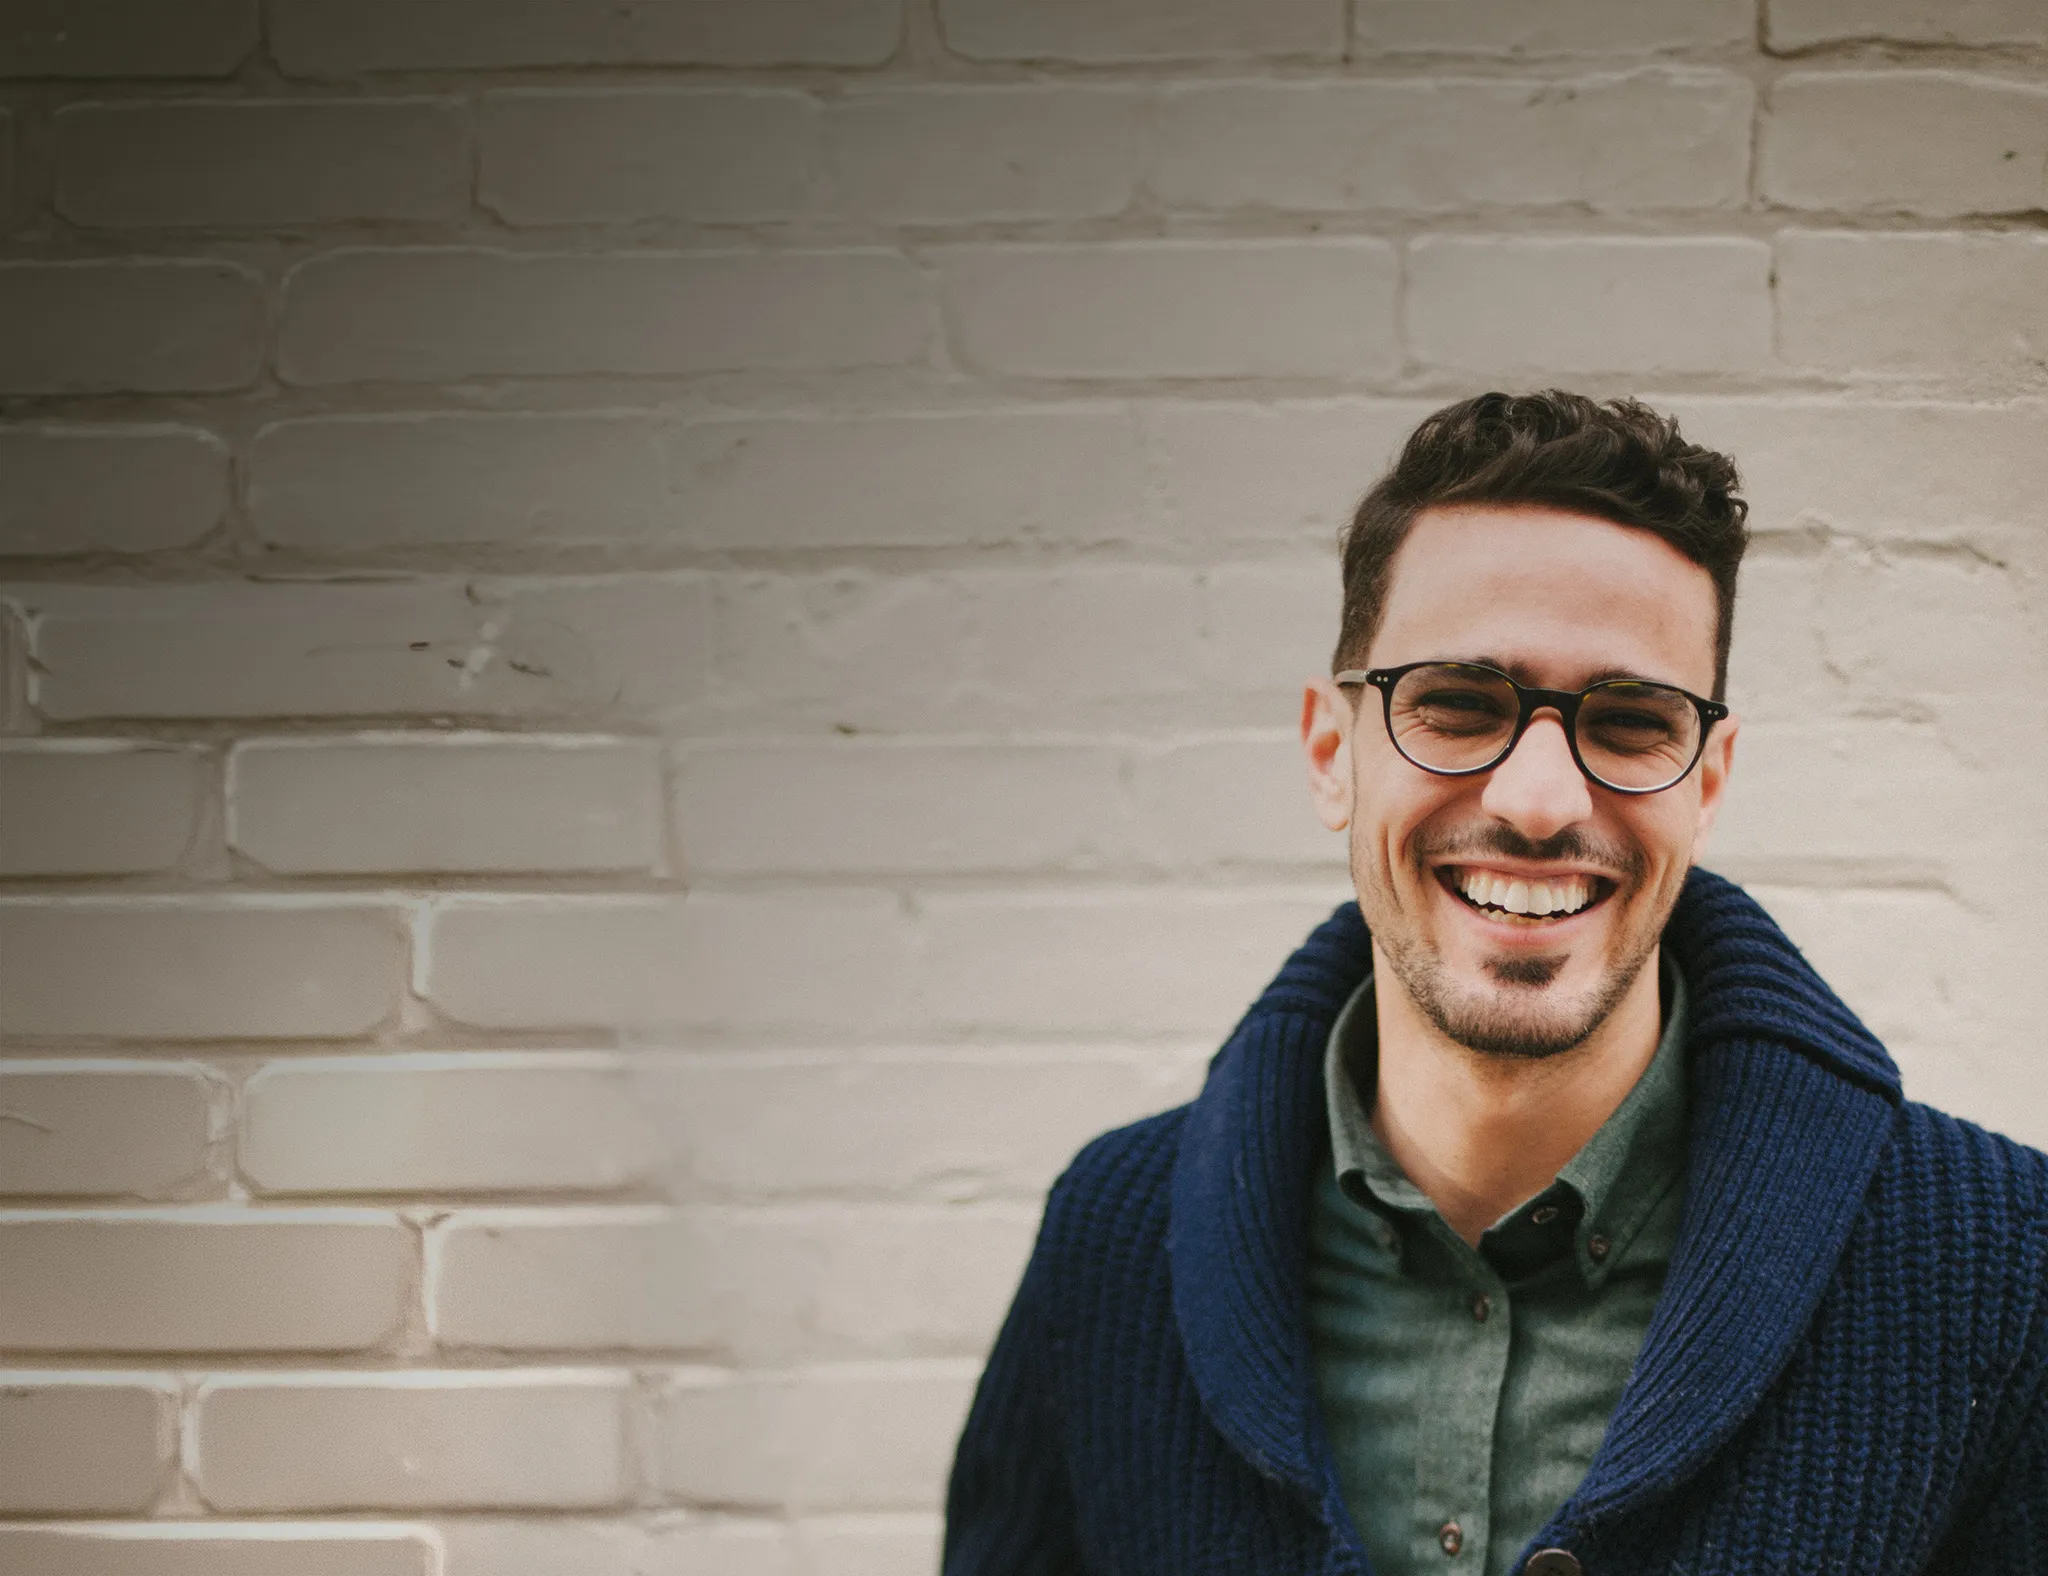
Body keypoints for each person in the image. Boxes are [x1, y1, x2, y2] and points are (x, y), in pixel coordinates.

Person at [942, 391, 2048, 1576]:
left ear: (1706, 782)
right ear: (1332, 754)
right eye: (1459, 705)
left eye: (1628, 721)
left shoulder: (2000, 1271)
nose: (1536, 799)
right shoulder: (1114, 1241)